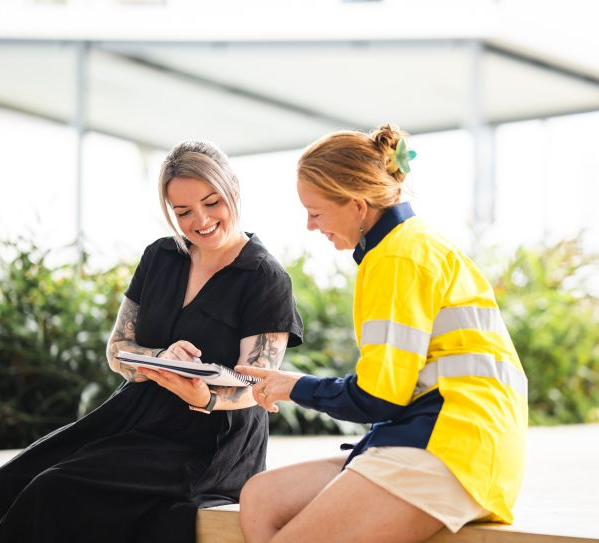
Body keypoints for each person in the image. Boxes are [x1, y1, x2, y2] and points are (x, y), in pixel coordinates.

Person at [236, 125, 528, 543]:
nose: (309, 225)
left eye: (315, 212)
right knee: (262, 496)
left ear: (357, 206)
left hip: (454, 447)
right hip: (441, 434)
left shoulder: (397, 259)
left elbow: (379, 397)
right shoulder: (406, 245)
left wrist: (293, 386)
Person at [0, 140, 303, 543]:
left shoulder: (264, 276)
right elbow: (117, 349)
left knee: (53, 489)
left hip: (212, 437)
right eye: (183, 212)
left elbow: (257, 384)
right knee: (13, 478)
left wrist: (205, 397)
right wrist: (162, 356)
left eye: (212, 202)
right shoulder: (161, 256)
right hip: (136, 412)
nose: (201, 220)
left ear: (234, 187)